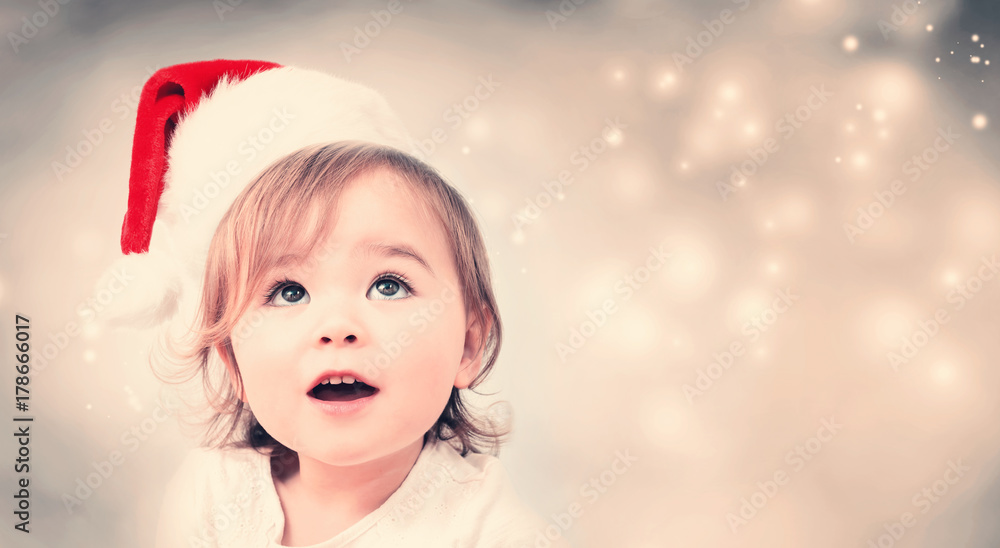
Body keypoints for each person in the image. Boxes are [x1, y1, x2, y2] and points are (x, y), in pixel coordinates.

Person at [97, 60, 569, 547]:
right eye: (289, 292)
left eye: (388, 285)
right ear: (233, 362)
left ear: (469, 345)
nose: (338, 326)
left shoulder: (492, 532)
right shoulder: (212, 492)